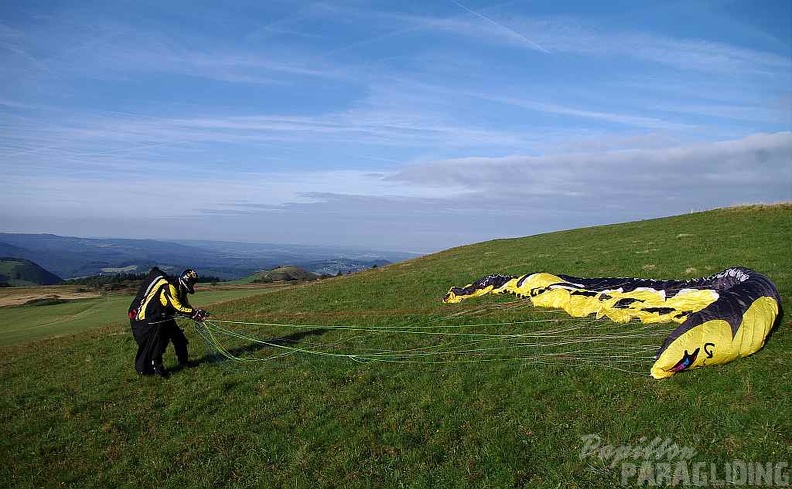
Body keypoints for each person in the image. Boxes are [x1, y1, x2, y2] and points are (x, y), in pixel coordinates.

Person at [128, 267, 210, 378]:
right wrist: (194, 313)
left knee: (179, 339)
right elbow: (177, 307)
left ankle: (184, 362)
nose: (192, 285)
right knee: (157, 345)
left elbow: (186, 306)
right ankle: (158, 369)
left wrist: (197, 314)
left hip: (165, 318)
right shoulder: (170, 288)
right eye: (191, 282)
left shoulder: (181, 290)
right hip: (154, 319)